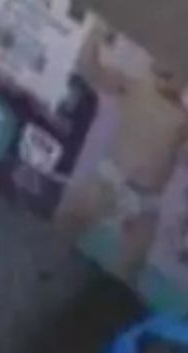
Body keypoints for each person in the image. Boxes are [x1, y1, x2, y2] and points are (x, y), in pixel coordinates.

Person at [54, 22, 188, 284]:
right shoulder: (134, 85)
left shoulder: (183, 119)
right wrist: (96, 32)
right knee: (63, 227)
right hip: (110, 179)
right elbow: (89, 67)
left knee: (128, 274)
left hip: (147, 201)